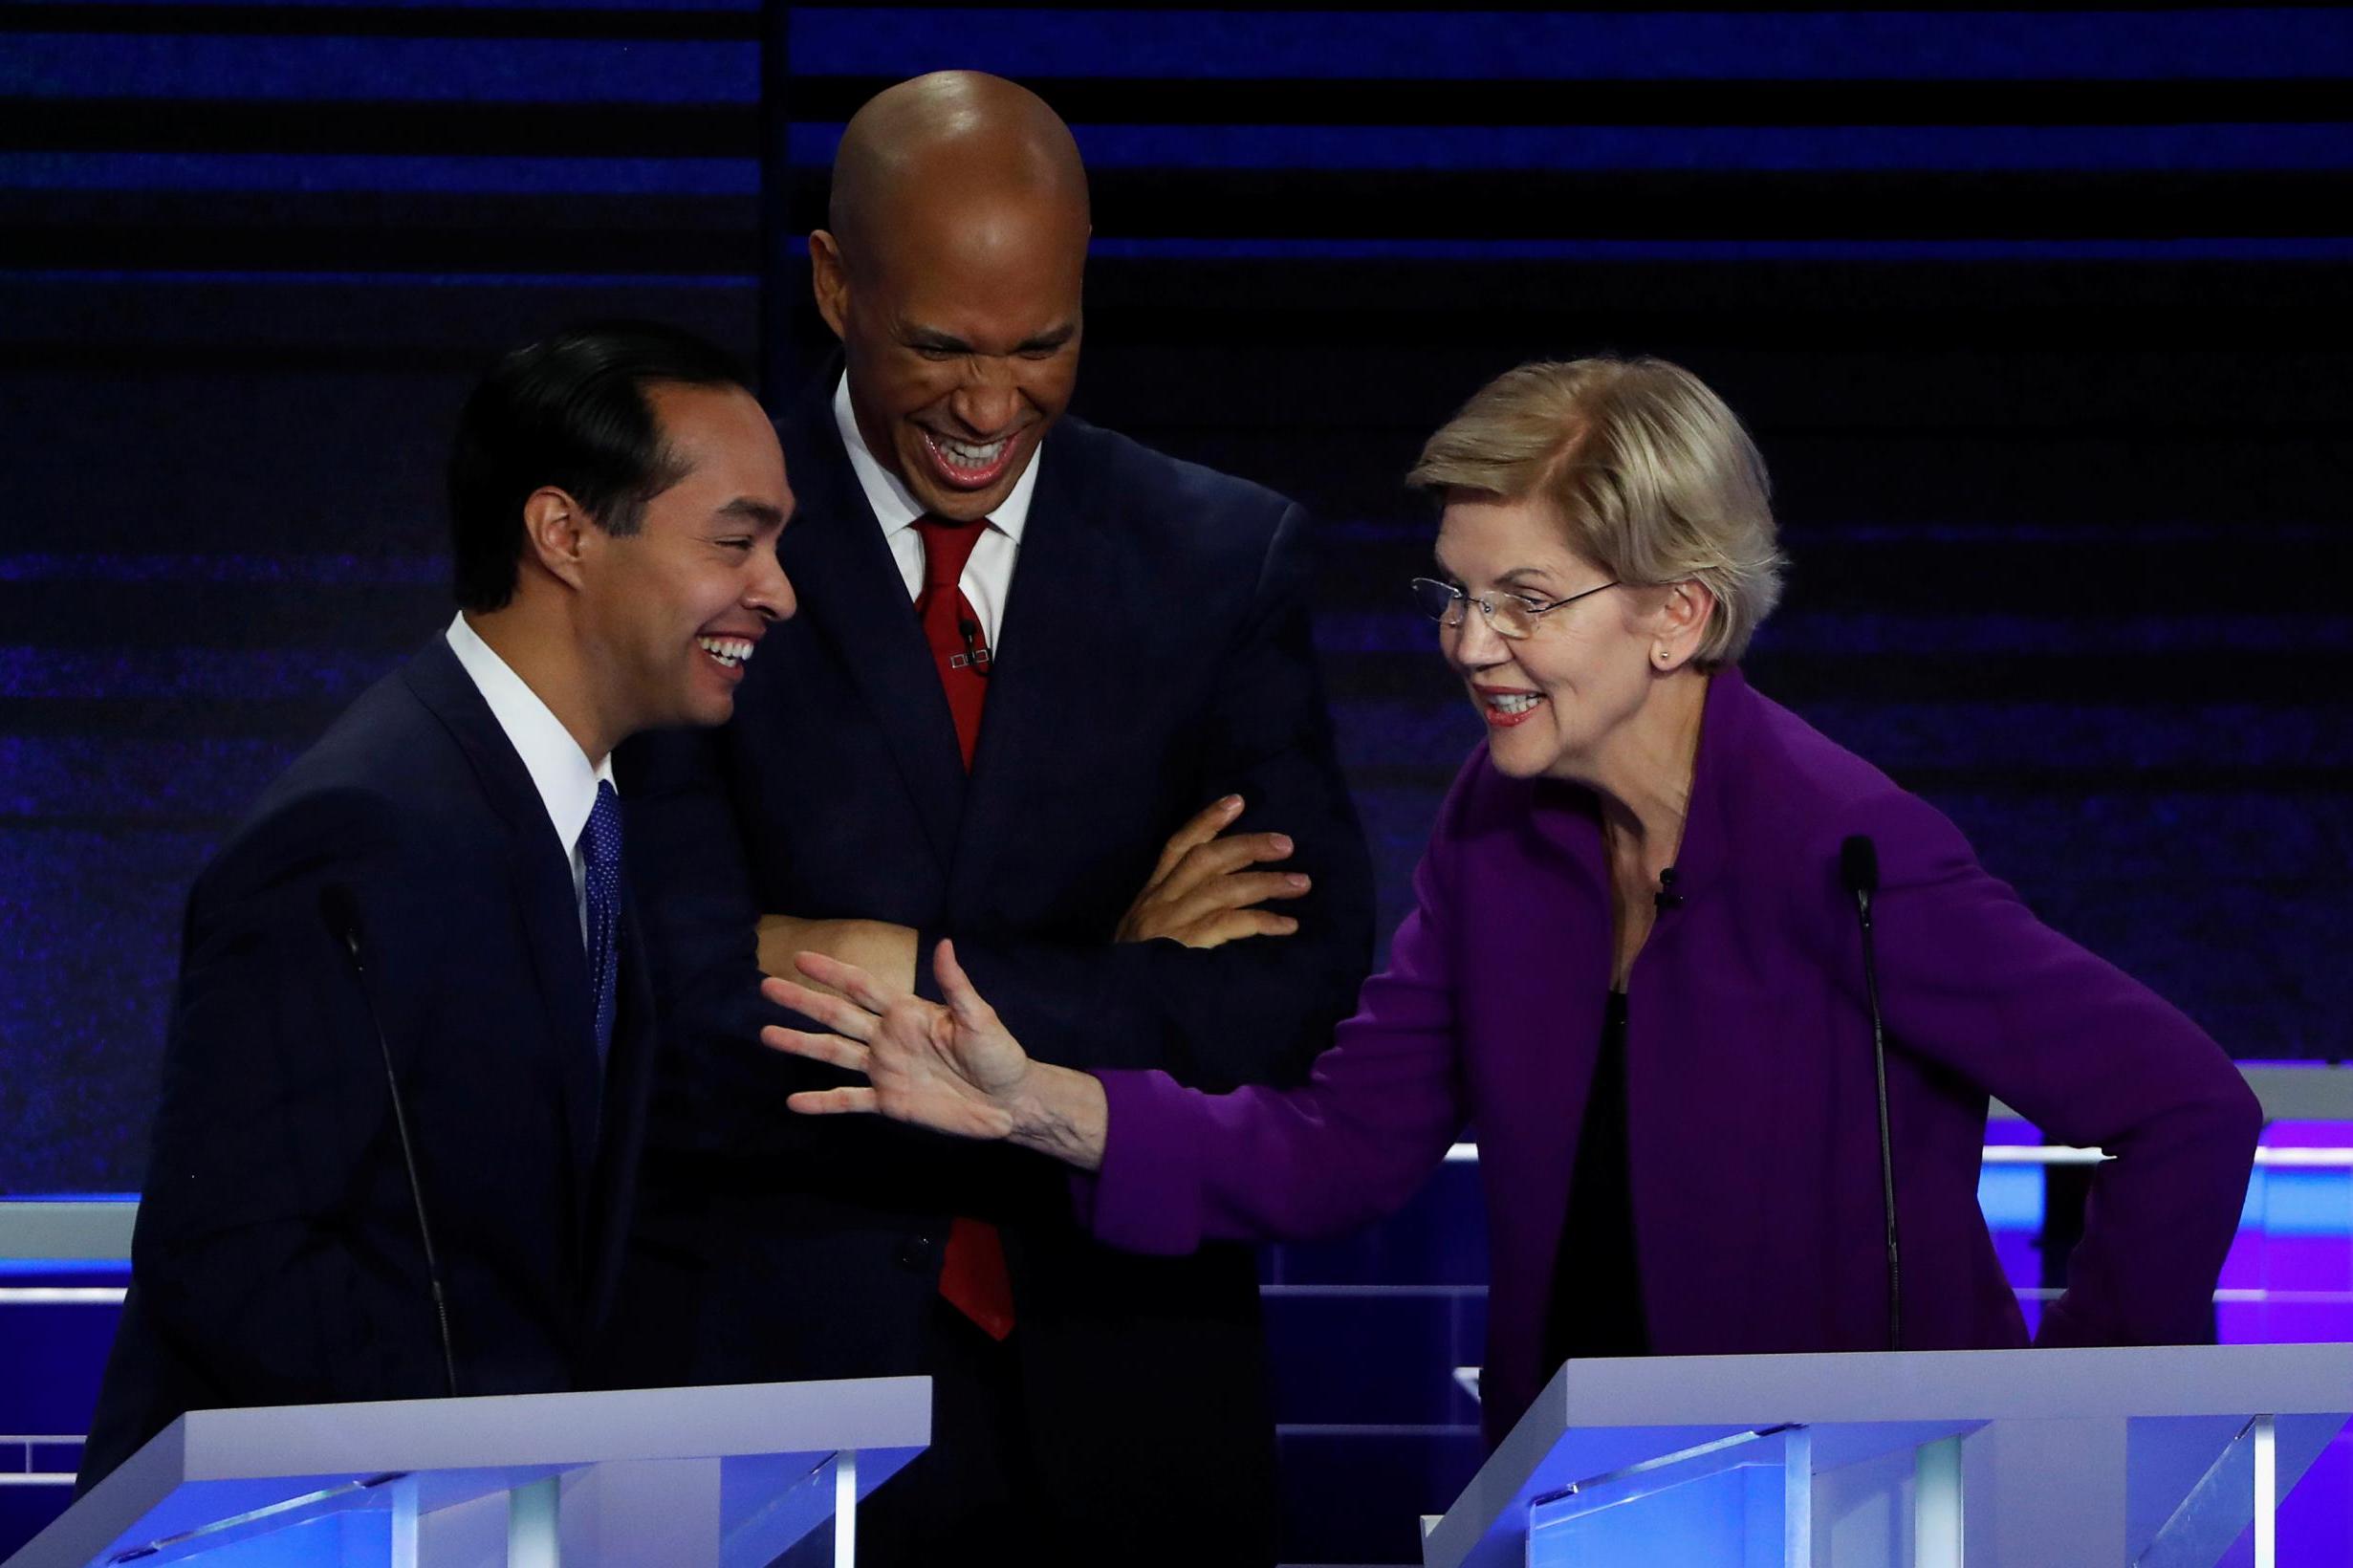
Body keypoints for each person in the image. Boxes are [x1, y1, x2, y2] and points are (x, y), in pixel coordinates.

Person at [763, 355, 2263, 1455]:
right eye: (1453, 594)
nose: (1469, 647)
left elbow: (2188, 1108)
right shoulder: (1503, 828)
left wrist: (2073, 1427)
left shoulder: (1849, 847)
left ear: (1679, 612)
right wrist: (1036, 1104)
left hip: (1846, 1501)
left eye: (1525, 601)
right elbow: (1339, 1149)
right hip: (1589, 1493)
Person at [611, 71, 1371, 1562]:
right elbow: (682, 1001)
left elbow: (1291, 997)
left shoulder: (1216, 556)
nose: (987, 404)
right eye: (939, 348)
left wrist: (887, 959)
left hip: (1139, 1396)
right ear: (836, 285)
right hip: (786, 1404)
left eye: (1042, 346)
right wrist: (1120, 962)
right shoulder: (693, 544)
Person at [76, 321, 795, 1490]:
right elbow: (230, 1256)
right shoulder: (356, 833)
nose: (778, 592)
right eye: (735, 540)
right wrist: (492, 1456)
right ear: (564, 532)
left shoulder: (606, 821)